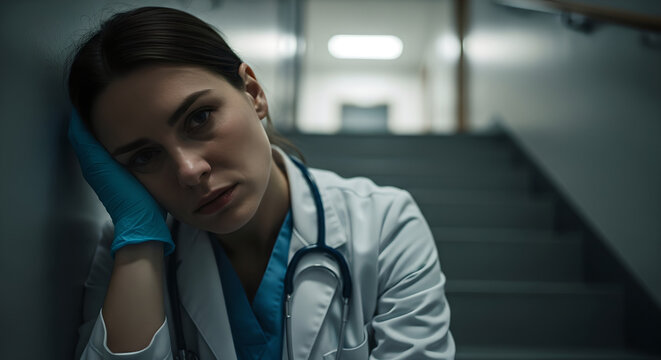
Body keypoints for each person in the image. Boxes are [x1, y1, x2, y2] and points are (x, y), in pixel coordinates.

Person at [67, 6, 455, 360]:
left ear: (253, 93)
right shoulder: (131, 256)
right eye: (144, 156)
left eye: (199, 118)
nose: (189, 170)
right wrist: (141, 240)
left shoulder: (385, 222)